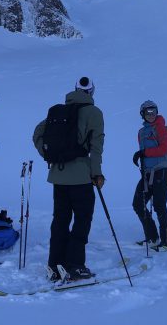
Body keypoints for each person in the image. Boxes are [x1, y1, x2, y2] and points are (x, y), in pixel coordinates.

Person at [33, 76, 105, 281]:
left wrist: (48, 155)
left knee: (60, 220)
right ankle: (74, 265)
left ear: (74, 90)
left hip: (58, 176)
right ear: (91, 92)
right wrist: (96, 173)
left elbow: (37, 133)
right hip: (81, 177)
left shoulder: (59, 111)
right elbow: (96, 147)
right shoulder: (94, 112)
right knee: (82, 220)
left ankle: (55, 266)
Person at [132, 100, 167, 251]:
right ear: (142, 114)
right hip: (148, 174)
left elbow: (163, 149)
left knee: (159, 206)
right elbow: (146, 155)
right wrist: (142, 157)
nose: (151, 115)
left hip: (162, 171)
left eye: (153, 111)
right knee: (138, 203)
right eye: (148, 112)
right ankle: (152, 238)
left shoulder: (162, 128)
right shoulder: (141, 132)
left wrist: (143, 153)